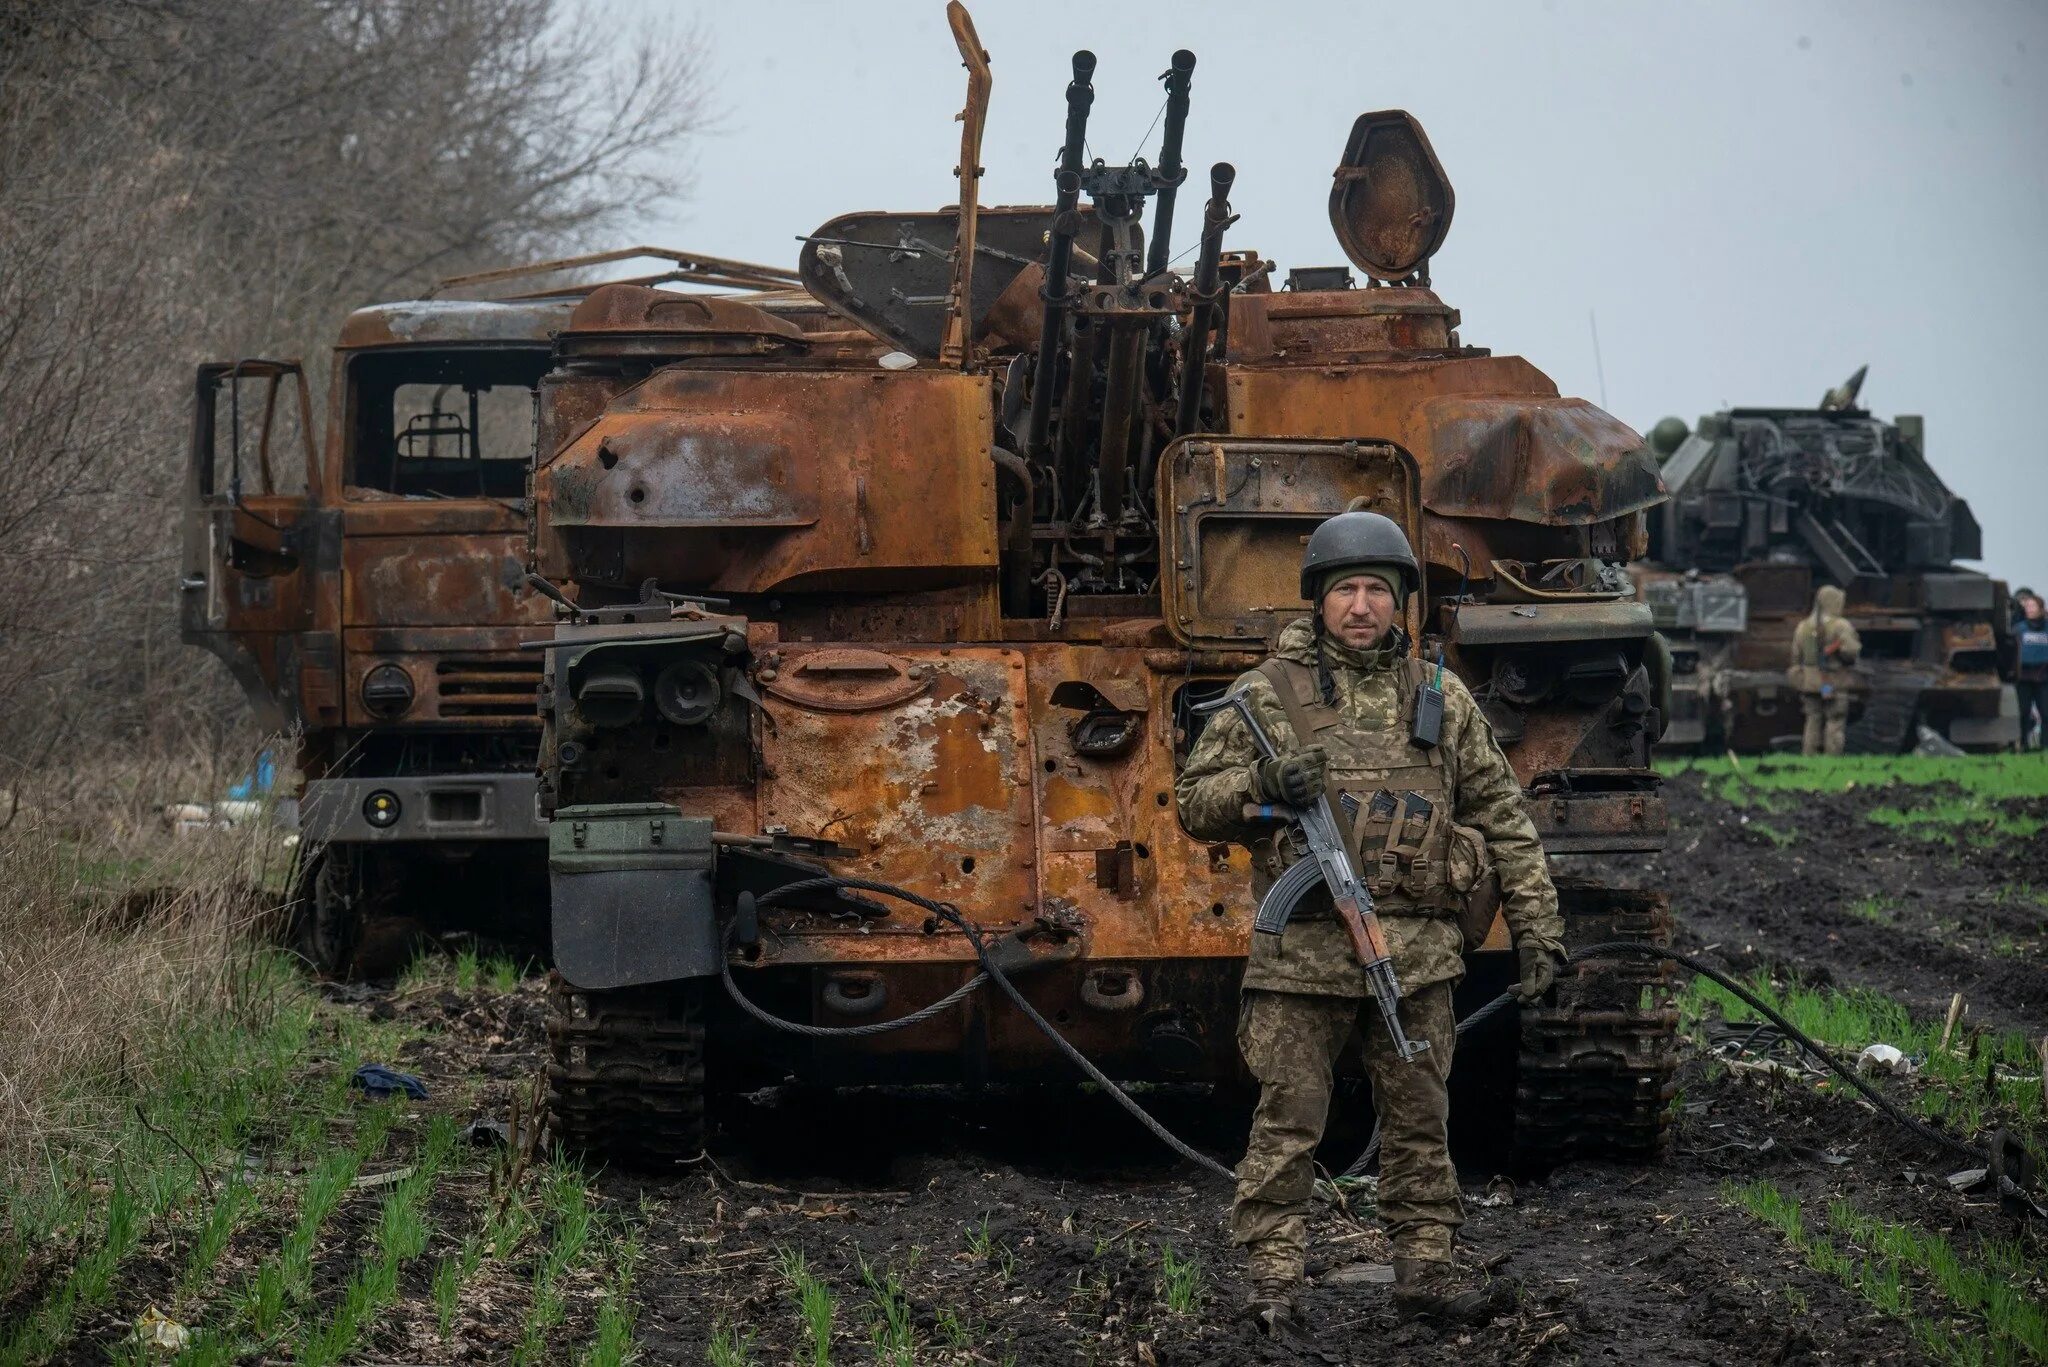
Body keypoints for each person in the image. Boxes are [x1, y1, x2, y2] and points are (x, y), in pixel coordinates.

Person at [1175, 511, 1564, 1331]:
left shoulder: (1439, 697)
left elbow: (1503, 817)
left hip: (1416, 956)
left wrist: (1537, 928)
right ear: (1318, 600)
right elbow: (1194, 804)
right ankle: (1273, 1282)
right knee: (1288, 1122)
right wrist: (1265, 778)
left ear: (1401, 604)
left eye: (1377, 591)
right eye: (1345, 589)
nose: (1361, 605)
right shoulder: (1265, 696)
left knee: (1422, 1122)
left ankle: (1426, 1271)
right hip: (1302, 959)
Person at [1788, 584, 1861, 756]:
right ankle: (1832, 758)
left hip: (1810, 682)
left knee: (1812, 719)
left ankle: (1809, 757)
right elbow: (1850, 653)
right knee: (1835, 721)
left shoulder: (1803, 626)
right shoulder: (1841, 625)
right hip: (1831, 682)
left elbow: (1795, 656)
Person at [2016, 590, 2047, 750]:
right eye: (2027, 606)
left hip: (2044, 677)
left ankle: (2045, 745)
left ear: (2041, 608)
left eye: (2032, 606)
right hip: (2024, 678)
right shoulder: (2019, 629)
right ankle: (2024, 744)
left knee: (2045, 712)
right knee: (2023, 713)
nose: (2029, 609)